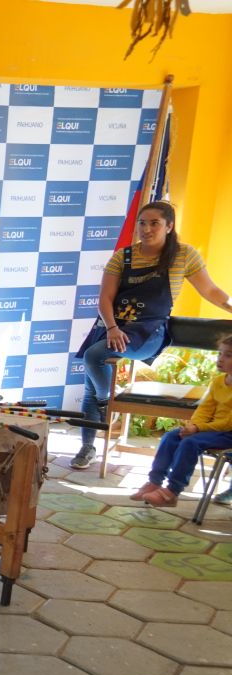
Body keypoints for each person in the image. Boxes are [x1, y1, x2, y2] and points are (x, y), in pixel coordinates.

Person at [73, 201, 232, 470]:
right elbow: (105, 298)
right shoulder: (122, 256)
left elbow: (211, 291)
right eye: (142, 223)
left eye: (154, 223)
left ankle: (105, 402)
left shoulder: (184, 255)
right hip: (113, 324)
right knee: (91, 379)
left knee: (94, 356)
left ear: (169, 226)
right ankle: (88, 445)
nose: (146, 229)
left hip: (148, 331)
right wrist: (112, 327)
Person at [131, 335, 232, 507]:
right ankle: (154, 482)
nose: (220, 359)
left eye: (228, 355)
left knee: (190, 443)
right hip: (210, 430)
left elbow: (228, 423)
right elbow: (205, 409)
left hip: (228, 433)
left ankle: (171, 492)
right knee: (172, 436)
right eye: (220, 353)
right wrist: (193, 425)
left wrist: (198, 428)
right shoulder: (218, 381)